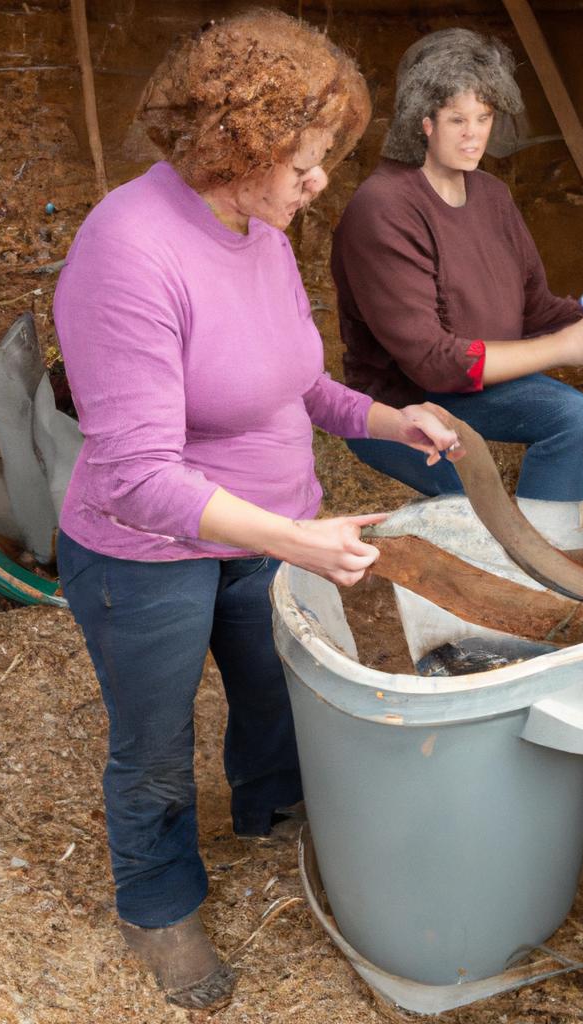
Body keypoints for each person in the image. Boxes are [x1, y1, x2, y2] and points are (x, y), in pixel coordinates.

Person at [52, 12, 460, 1011]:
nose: (321, 181)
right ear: (240, 148)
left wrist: (386, 417)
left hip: (269, 527)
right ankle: (158, 900)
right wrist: (293, 539)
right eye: (307, 162)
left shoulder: (260, 230)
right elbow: (137, 475)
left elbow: (297, 384)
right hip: (148, 550)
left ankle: (271, 812)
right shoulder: (128, 249)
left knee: (274, 693)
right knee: (152, 741)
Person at [331, 28, 583, 548]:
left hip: (477, 390)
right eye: (458, 120)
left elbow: (534, 309)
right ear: (422, 122)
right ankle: (507, 558)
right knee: (475, 520)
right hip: (404, 403)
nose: (474, 136)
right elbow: (433, 362)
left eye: (484, 118)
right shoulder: (384, 209)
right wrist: (564, 348)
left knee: (569, 417)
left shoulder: (490, 194)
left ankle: (552, 558)